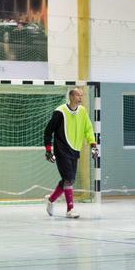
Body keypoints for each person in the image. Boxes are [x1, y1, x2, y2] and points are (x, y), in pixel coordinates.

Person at [44, 87, 98, 218]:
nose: (80, 97)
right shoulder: (59, 112)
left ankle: (51, 200)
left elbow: (88, 129)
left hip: (75, 150)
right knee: (69, 178)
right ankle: (70, 209)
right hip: (61, 150)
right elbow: (48, 131)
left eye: (82, 95)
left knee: (69, 179)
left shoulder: (83, 111)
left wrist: (93, 145)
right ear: (71, 97)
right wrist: (48, 150)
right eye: (78, 95)